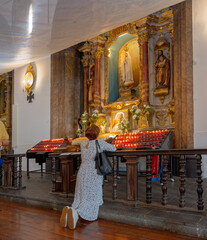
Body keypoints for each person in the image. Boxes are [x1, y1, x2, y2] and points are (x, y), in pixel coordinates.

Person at [60, 124, 116, 229]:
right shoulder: (100, 142)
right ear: (97, 133)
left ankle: (70, 210)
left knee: (83, 194)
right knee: (92, 196)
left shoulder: (83, 144)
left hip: (82, 171)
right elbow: (114, 148)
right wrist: (107, 142)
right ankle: (77, 213)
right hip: (93, 172)